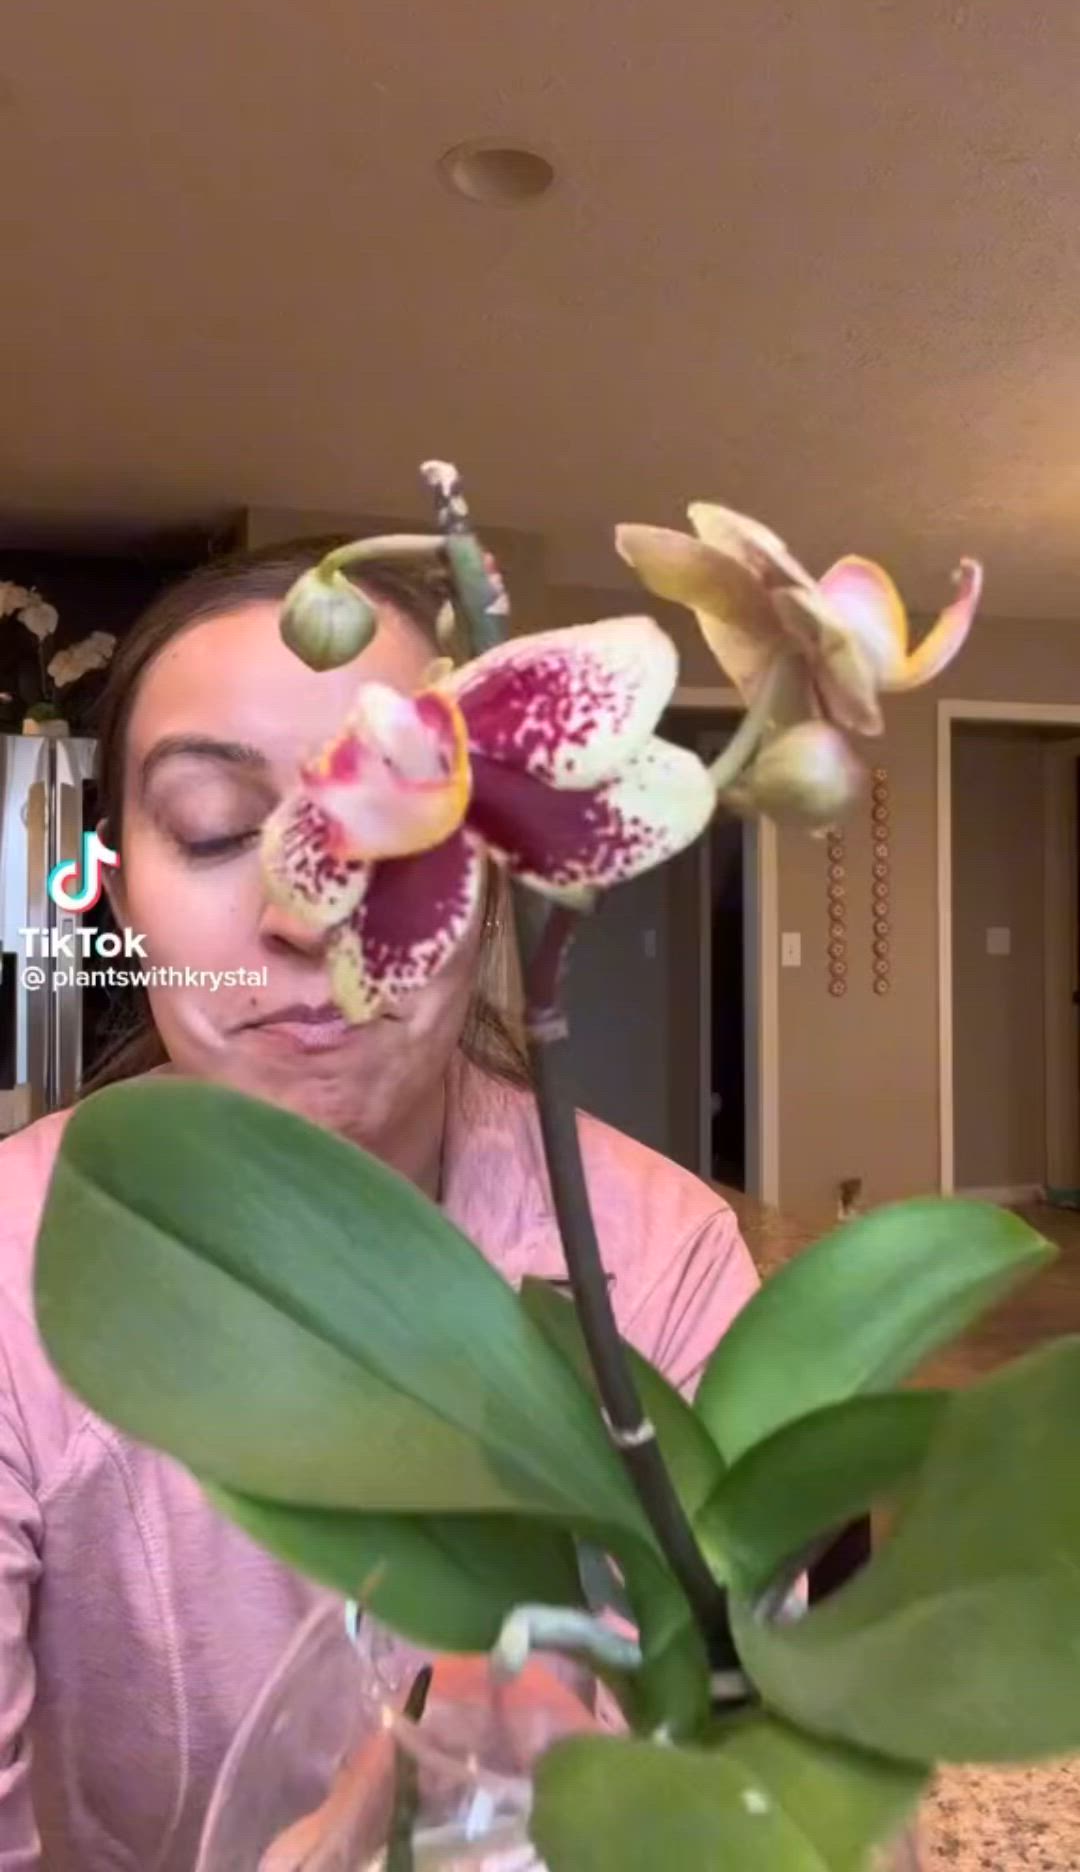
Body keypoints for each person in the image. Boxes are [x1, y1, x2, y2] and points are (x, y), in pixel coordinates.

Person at [0, 542, 758, 1868]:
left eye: (393, 824)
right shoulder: (17, 1271)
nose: (304, 910)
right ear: (118, 895)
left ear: (498, 882)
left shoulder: (665, 1261)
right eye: (220, 831)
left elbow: (752, 1796)